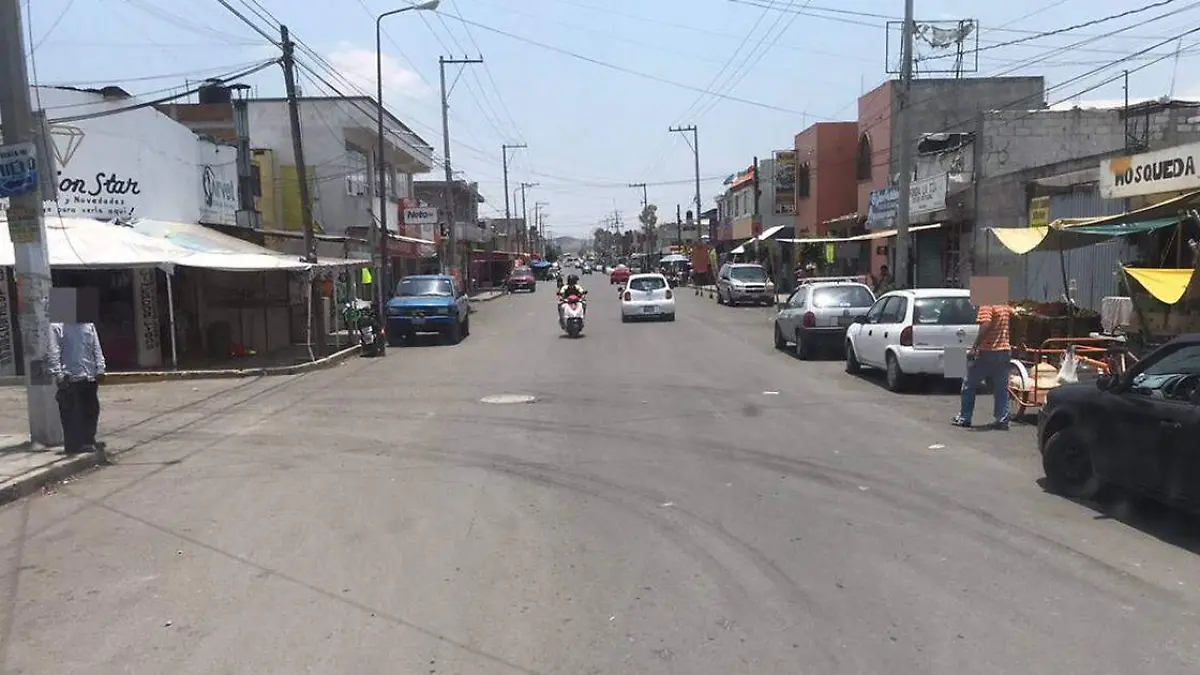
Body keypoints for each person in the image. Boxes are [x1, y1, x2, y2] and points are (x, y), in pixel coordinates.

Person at [47, 293, 107, 455]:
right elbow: (54, 352)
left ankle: (88, 440)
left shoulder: (88, 325)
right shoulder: (56, 326)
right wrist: (58, 374)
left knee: (91, 410)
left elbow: (96, 347)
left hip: (89, 375)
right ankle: (74, 445)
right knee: (72, 413)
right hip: (69, 377)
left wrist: (100, 368)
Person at [953, 301, 1016, 430]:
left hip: (989, 351)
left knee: (969, 383)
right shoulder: (1003, 305)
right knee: (1001, 387)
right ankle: (1002, 418)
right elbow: (1016, 318)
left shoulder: (987, 304)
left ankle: (965, 417)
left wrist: (974, 347)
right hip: (1004, 350)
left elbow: (986, 324)